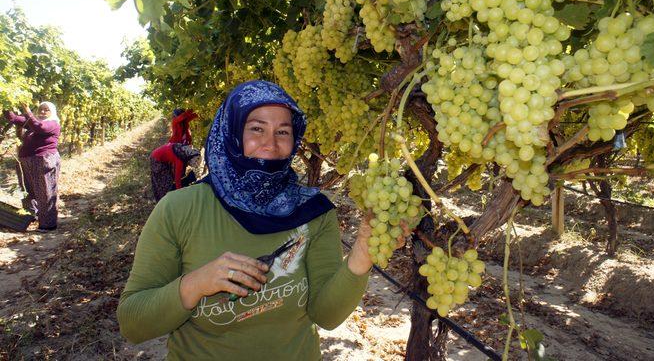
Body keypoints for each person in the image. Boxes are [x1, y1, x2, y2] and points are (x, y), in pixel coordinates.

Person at [117, 81, 377, 360]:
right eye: (257, 128)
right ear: (233, 131)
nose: (271, 143)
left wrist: (361, 255)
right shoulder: (179, 209)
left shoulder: (313, 211)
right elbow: (133, 324)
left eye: (283, 131)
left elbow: (325, 316)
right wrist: (196, 283)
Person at [2, 102, 61, 232]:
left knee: (45, 191)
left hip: (44, 161)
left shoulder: (53, 123)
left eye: (47, 110)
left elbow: (40, 127)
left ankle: (48, 225)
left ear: (52, 112)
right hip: (28, 161)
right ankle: (32, 217)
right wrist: (5, 101)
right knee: (30, 190)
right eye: (41, 109)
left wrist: (28, 110)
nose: (43, 112)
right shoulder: (32, 121)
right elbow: (14, 118)